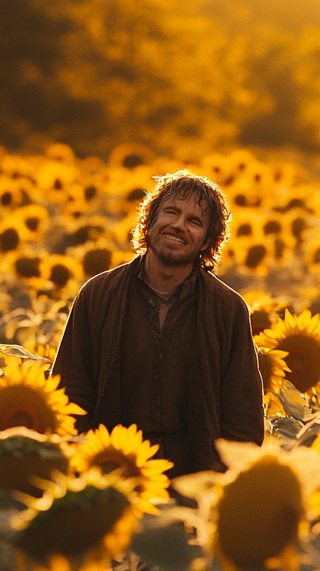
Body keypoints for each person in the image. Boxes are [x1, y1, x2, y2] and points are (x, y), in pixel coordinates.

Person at [50, 170, 265, 476]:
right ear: (149, 221)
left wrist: (219, 479)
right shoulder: (98, 295)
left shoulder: (227, 309)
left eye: (194, 221)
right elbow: (69, 393)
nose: (179, 226)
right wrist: (84, 464)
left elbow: (242, 413)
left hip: (194, 476)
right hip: (110, 472)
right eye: (171, 212)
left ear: (208, 241)